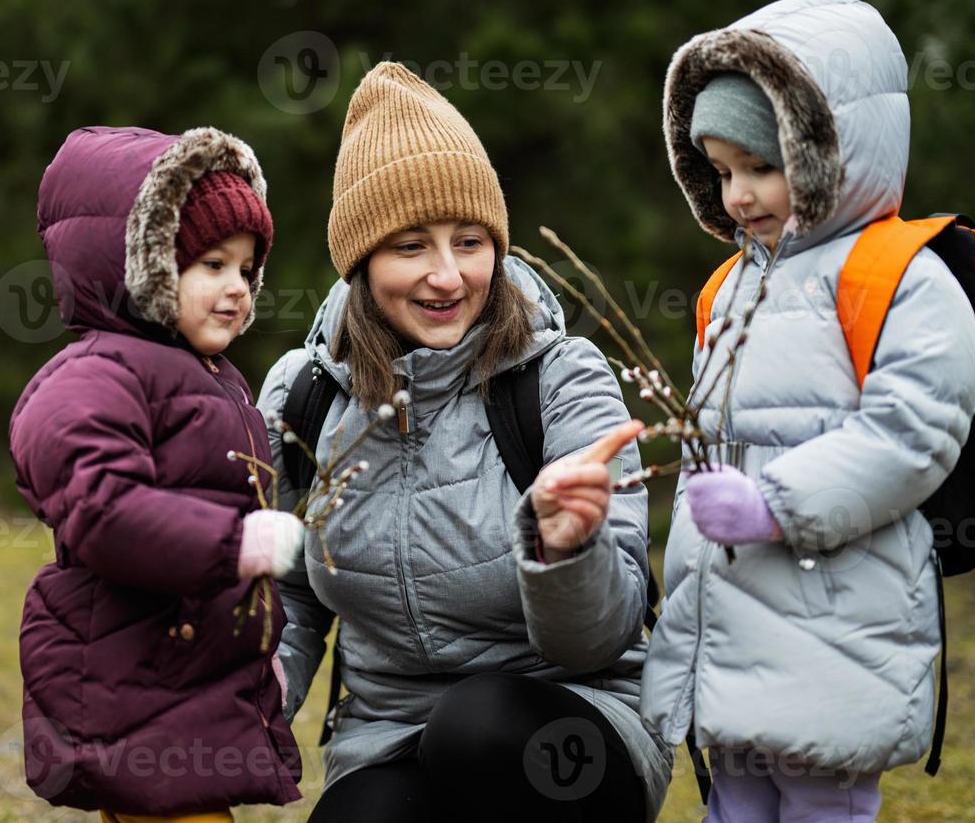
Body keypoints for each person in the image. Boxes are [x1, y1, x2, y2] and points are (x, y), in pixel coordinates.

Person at [258, 62, 672, 822]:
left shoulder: (559, 379)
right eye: (411, 245)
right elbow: (286, 587)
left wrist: (563, 552)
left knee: (475, 728)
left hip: (571, 716)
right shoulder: (304, 397)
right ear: (360, 262)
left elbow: (604, 636)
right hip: (390, 735)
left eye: (471, 240)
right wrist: (261, 695)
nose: (447, 276)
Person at [640, 0, 975, 821]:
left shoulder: (899, 275)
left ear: (831, 149)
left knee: (823, 800)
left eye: (762, 166)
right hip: (730, 615)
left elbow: (914, 431)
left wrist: (774, 503)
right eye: (721, 172)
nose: (740, 196)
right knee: (738, 801)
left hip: (836, 615)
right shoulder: (731, 287)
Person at [9, 125, 305, 822]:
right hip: (128, 679)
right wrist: (235, 544)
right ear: (138, 265)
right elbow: (100, 503)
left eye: (246, 268)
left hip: (180, 679)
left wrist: (256, 652)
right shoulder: (96, 374)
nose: (236, 288)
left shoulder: (217, 379)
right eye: (209, 264)